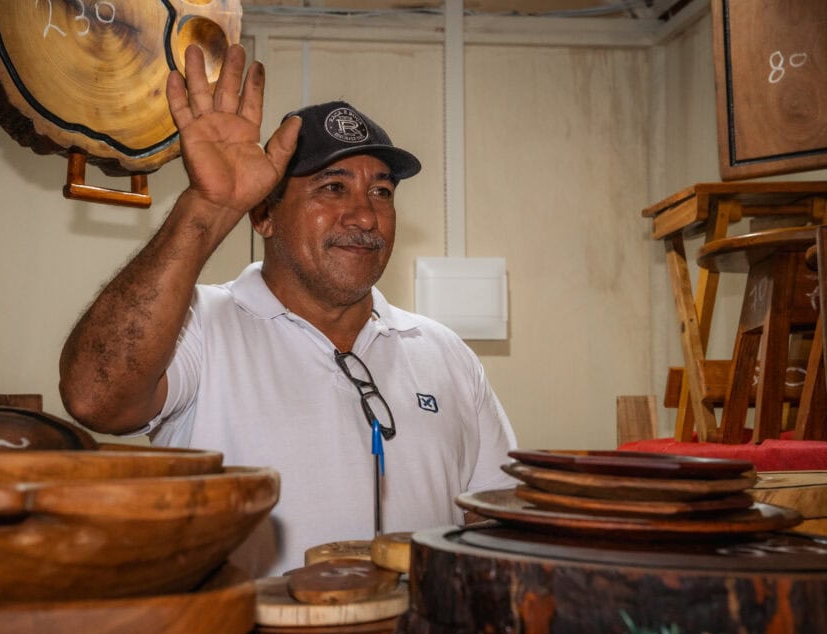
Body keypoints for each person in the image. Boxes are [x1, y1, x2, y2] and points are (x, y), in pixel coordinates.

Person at [59, 43, 516, 577]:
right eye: (332, 187)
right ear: (264, 216)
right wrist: (207, 207)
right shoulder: (197, 327)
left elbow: (497, 522)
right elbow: (94, 398)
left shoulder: (445, 354)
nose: (365, 216)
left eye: (382, 191)